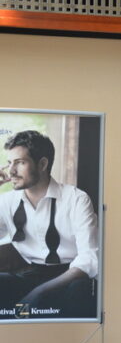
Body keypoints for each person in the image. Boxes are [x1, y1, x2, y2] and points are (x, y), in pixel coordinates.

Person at [0, 130, 98, 316]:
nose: (11, 171)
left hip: (71, 278)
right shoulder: (7, 201)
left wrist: (39, 293)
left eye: (19, 162)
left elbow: (89, 259)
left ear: (42, 164)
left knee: (80, 291)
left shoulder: (76, 199)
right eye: (9, 163)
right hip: (31, 275)